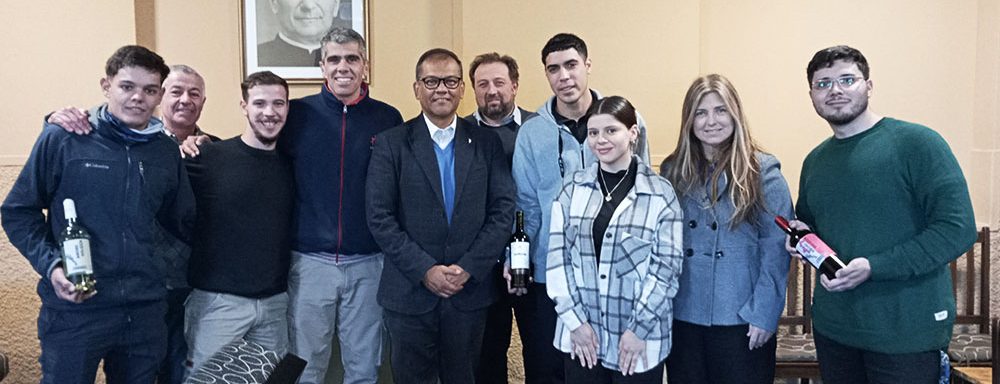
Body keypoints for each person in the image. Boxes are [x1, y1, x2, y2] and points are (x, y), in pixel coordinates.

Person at [1, 45, 195, 384]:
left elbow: (184, 222)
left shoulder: (165, 150)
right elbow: (19, 212)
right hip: (76, 310)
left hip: (144, 310)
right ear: (106, 86)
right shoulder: (65, 138)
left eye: (150, 90)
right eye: (127, 87)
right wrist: (51, 266)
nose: (138, 97)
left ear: (159, 95)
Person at [788, 45, 976, 383]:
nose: (836, 91)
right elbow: (814, 226)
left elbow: (956, 229)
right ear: (811, 95)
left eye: (847, 79)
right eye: (823, 83)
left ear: (869, 86)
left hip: (906, 333)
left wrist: (874, 267)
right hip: (835, 330)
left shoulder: (918, 144)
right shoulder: (814, 161)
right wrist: (801, 238)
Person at [47, 64, 219, 384]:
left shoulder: (217, 150)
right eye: (176, 91)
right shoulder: (107, 139)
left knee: (178, 372)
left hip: (184, 289)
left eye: (194, 94)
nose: (185, 100)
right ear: (162, 96)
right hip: (116, 292)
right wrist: (55, 118)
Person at [366, 48, 516, 384]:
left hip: (470, 294)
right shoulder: (391, 144)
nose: (441, 89)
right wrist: (425, 270)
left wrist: (468, 268)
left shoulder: (486, 143)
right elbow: (379, 217)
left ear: (462, 88)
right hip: (408, 294)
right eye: (431, 81)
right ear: (416, 88)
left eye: (450, 81)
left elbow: (502, 211)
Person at [511, 32, 650, 384]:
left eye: (571, 65)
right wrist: (521, 263)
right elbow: (525, 206)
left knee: (606, 370)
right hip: (551, 277)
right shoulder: (531, 133)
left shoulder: (626, 118)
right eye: (553, 68)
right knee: (548, 370)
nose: (564, 76)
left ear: (587, 66)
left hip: (612, 278)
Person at [660, 74, 792, 383]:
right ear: (689, 120)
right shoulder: (673, 170)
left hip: (741, 316)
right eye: (700, 112)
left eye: (720, 110)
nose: (711, 121)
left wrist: (763, 314)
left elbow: (775, 250)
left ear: (735, 113)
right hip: (684, 312)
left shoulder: (763, 171)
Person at [547, 96, 682, 383]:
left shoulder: (660, 193)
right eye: (594, 133)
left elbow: (666, 270)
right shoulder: (572, 188)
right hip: (584, 338)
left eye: (611, 130)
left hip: (637, 342)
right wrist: (575, 322)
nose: (601, 140)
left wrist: (638, 330)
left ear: (632, 133)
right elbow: (558, 260)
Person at [182, 71, 295, 373]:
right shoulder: (207, 157)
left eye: (278, 104)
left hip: (275, 305)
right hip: (218, 305)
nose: (269, 112)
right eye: (259, 103)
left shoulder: (292, 164)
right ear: (244, 106)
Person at [463, 51, 537, 384]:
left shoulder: (541, 130)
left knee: (540, 351)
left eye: (499, 82)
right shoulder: (459, 134)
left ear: (515, 85)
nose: (491, 91)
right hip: (481, 265)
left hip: (533, 260)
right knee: (486, 355)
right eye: (482, 84)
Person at [258, 0, 351, 66]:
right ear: (274, 4)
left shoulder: (353, 58)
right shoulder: (259, 56)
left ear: (336, 5)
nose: (308, 6)